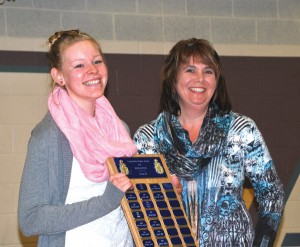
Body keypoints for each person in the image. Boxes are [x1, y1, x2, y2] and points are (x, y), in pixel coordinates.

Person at [133, 38, 285, 247]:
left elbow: (272, 193)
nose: (200, 79)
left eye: (208, 71)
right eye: (190, 70)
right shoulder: (148, 138)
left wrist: (261, 243)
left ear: (217, 80)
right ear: (172, 78)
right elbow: (139, 209)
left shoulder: (241, 130)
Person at [18, 29, 137, 247]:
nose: (92, 70)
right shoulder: (48, 137)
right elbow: (30, 219)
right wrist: (105, 202)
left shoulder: (119, 129)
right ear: (59, 76)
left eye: (97, 61)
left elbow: (123, 195)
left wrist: (161, 188)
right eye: (79, 65)